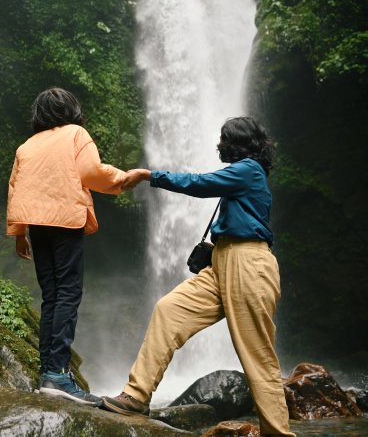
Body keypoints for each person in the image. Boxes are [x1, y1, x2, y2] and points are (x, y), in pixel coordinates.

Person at [103, 116, 296, 436]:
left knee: (257, 355)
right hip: (221, 264)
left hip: (249, 264)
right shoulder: (241, 175)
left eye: (224, 139)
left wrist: (150, 175)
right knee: (169, 309)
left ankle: (279, 434)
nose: (219, 145)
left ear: (238, 143)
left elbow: (199, 183)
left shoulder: (248, 169)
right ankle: (136, 395)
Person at [6, 87, 127, 406]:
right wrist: (122, 179)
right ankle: (58, 374)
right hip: (64, 219)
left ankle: (48, 371)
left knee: (51, 295)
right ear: (71, 110)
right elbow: (91, 173)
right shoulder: (76, 133)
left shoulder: (27, 146)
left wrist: (20, 232)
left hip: (36, 225)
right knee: (68, 292)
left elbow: (15, 188)